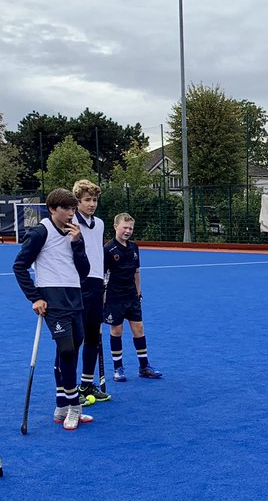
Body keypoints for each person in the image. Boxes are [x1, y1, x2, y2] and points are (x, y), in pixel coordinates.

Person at [14, 188, 93, 430]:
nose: (71, 213)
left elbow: (84, 270)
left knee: (71, 348)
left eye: (72, 208)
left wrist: (78, 243)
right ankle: (74, 407)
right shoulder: (40, 232)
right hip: (53, 299)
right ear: (52, 209)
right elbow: (19, 266)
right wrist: (34, 298)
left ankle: (61, 405)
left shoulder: (74, 233)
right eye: (66, 209)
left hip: (74, 297)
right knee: (67, 349)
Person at [103, 213, 162, 381]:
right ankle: (118, 368)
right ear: (115, 227)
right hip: (114, 297)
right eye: (125, 227)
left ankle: (144, 367)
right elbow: (104, 276)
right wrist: (103, 299)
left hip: (131, 296)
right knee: (117, 330)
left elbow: (136, 272)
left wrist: (139, 292)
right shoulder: (108, 249)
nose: (128, 231)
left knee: (139, 329)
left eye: (131, 228)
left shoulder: (134, 247)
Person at [72, 179, 111, 404]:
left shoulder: (101, 224)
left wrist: (104, 281)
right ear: (78, 202)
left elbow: (99, 253)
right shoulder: (72, 223)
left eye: (95, 200)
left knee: (93, 337)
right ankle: (70, 387)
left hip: (97, 283)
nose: (92, 204)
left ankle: (87, 383)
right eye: (87, 200)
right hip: (79, 283)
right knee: (77, 337)